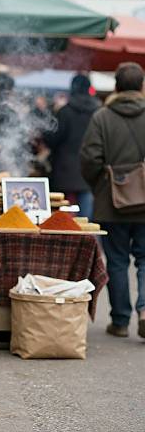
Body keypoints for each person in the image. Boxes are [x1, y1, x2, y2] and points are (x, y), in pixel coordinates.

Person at [80, 62, 145, 338]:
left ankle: (119, 321)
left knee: (117, 260)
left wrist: (103, 185)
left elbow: (89, 159)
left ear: (116, 86)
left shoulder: (102, 116)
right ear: (142, 86)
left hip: (111, 202)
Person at [44, 74, 99, 217]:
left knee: (64, 221)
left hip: (64, 171)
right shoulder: (98, 112)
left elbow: (53, 139)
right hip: (89, 170)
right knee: (86, 221)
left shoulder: (65, 112)